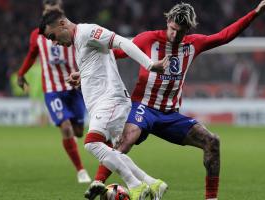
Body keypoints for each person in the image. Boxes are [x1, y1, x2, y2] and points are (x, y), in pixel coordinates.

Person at [80, 1, 265, 200]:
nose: (175, 35)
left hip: (170, 115)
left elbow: (224, 36)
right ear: (167, 22)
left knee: (212, 142)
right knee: (126, 138)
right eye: (173, 29)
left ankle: (211, 198)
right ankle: (99, 182)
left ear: (188, 30)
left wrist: (256, 12)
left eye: (180, 31)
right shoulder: (148, 39)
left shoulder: (194, 44)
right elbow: (113, 54)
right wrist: (81, 74)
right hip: (143, 107)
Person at [38, 9, 169, 200]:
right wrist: (81, 76)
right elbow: (98, 66)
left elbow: (121, 42)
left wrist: (150, 64)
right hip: (104, 103)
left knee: (92, 144)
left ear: (62, 24)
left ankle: (136, 186)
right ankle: (154, 184)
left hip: (112, 100)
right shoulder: (79, 42)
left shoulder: (88, 32)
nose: (55, 43)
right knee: (113, 153)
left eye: (53, 37)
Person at [17, 0, 91, 184]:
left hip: (74, 88)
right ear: (44, 10)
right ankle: (81, 170)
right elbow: (31, 55)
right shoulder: (37, 35)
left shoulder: (71, 31)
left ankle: (73, 141)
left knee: (79, 131)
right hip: (52, 90)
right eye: (48, 5)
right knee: (65, 128)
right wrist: (21, 74)